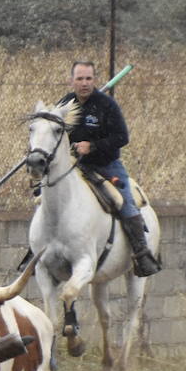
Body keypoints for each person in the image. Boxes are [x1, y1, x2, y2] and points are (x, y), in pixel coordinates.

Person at [56, 60, 161, 278]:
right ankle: (38, 252)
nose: (84, 83)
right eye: (79, 79)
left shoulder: (107, 105)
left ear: (94, 80)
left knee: (125, 202)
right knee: (47, 198)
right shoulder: (65, 104)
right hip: (74, 166)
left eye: (88, 79)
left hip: (106, 165)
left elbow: (122, 137)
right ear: (71, 80)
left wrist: (92, 146)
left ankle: (142, 255)